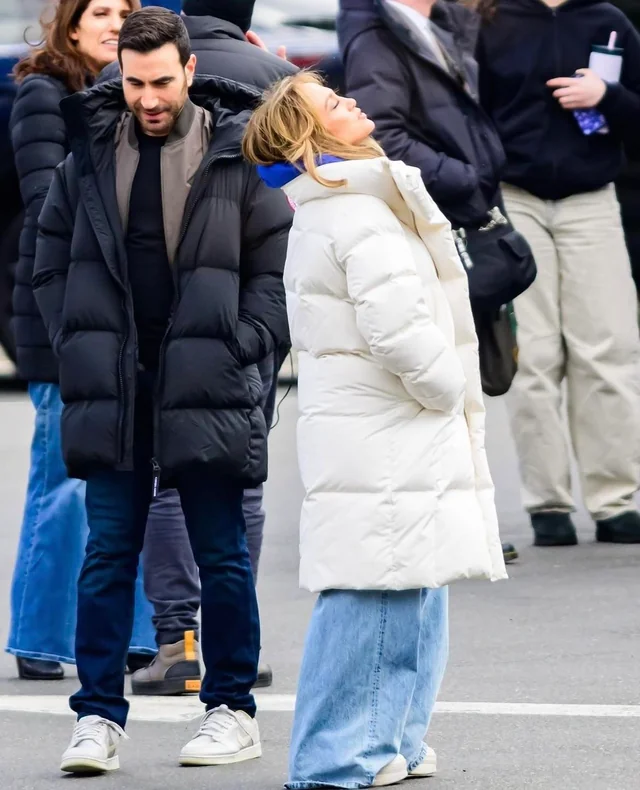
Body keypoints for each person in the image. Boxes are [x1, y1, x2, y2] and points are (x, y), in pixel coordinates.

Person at [33, 5, 291, 774]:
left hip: (206, 382)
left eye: (162, 83)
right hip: (116, 387)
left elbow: (276, 266)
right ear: (120, 75)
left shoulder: (235, 150)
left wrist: (241, 345)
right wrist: (76, 345)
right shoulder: (87, 152)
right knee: (108, 555)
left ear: (189, 70)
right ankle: (96, 718)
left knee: (222, 555)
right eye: (135, 82)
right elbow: (48, 260)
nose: (149, 98)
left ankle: (231, 709)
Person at [243, 70, 507, 789]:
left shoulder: (345, 202)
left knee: (413, 580)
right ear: (310, 140)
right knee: (376, 589)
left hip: (386, 423)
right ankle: (338, 758)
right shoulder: (353, 209)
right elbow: (396, 328)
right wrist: (448, 386)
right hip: (387, 424)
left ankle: (390, 741)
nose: (352, 102)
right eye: (333, 104)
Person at [99, 0, 297, 696]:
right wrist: (254, 333)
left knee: (163, 483)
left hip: (154, 336)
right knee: (239, 478)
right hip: (238, 325)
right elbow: (293, 206)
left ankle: (177, 640)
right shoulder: (274, 75)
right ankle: (234, 640)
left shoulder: (120, 80)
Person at [6, 0, 156, 682]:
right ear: (69, 26)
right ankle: (40, 638)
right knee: (63, 480)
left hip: (127, 313)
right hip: (61, 314)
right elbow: (47, 203)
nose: (114, 22)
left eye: (125, 10)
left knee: (133, 479)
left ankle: (133, 635)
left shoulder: (136, 96)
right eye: (100, 11)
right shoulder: (45, 93)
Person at [337, 0, 518, 565]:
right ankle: (452, 525)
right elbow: (384, 135)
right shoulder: (378, 34)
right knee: (441, 383)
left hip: (446, 220)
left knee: (462, 378)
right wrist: (466, 177)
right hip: (429, 224)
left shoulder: (429, 25)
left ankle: (464, 520)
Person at [477, 0, 640, 545]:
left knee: (609, 348)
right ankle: (547, 502)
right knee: (535, 353)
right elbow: (469, 113)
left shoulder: (609, 23)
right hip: (515, 197)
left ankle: (615, 500)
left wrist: (607, 97)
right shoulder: (491, 21)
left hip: (593, 198)